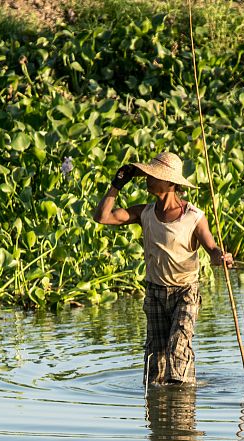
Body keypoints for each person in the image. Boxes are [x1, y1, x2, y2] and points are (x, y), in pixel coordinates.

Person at [92, 151, 233, 385]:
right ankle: (159, 410)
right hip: (155, 292)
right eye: (147, 174)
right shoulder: (144, 212)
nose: (147, 179)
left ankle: (183, 404)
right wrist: (116, 184)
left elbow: (212, 248)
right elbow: (102, 217)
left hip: (185, 292)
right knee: (154, 360)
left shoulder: (194, 217)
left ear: (170, 183)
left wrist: (221, 257)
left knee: (178, 346)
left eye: (153, 176)